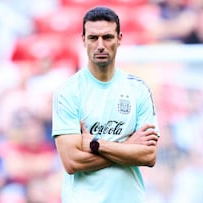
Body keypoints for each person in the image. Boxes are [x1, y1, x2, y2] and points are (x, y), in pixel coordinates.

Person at [52, 6, 160, 203]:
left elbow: (148, 155)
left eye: (107, 37)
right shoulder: (67, 92)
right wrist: (128, 147)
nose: (100, 45)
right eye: (93, 38)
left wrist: (96, 144)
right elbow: (71, 161)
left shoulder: (139, 89)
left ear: (119, 39)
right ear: (83, 40)